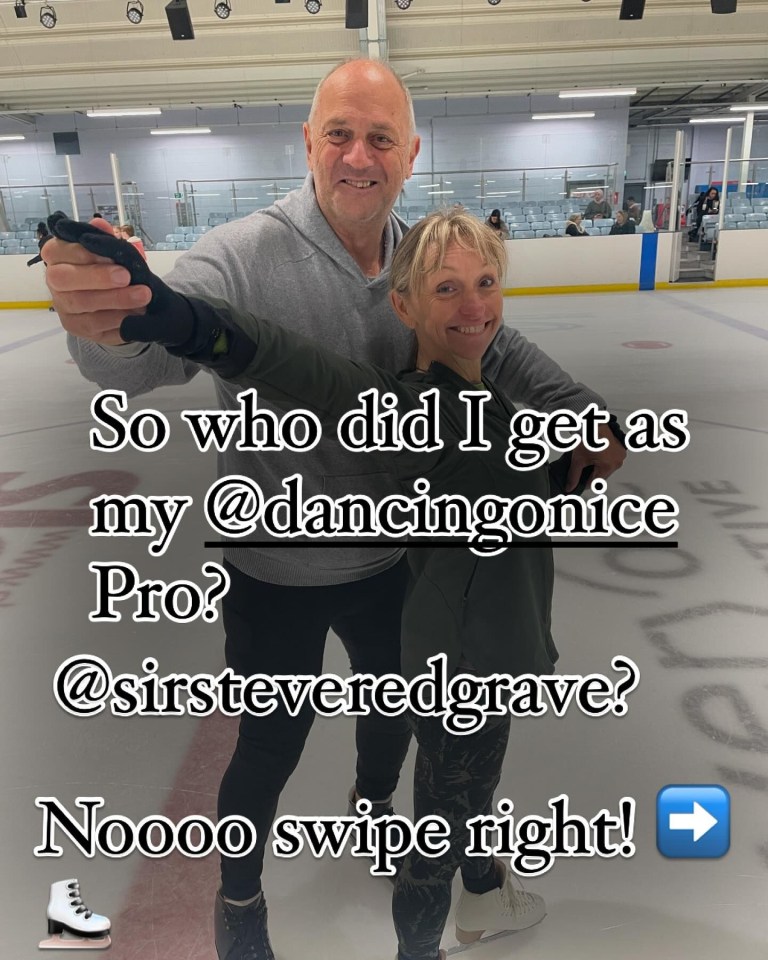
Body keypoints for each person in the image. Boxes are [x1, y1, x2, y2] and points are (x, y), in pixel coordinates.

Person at [42, 58, 626, 960]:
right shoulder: (242, 253)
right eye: (340, 135)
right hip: (274, 570)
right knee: (269, 745)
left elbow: (499, 347)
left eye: (380, 138)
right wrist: (119, 319)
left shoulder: (427, 261)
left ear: (409, 153)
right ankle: (239, 902)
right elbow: (161, 356)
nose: (359, 155)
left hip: (391, 565)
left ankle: (374, 808)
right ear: (309, 143)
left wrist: (578, 437)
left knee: (396, 715)